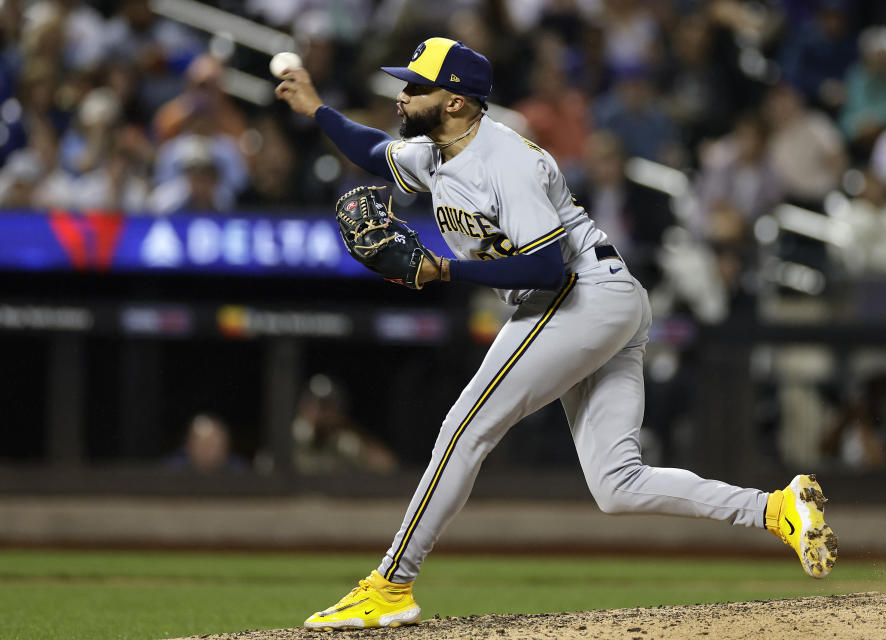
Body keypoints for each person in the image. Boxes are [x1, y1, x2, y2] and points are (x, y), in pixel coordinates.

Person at [275, 37, 838, 631]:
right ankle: (776, 509)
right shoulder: (439, 152)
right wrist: (315, 109)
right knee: (617, 485)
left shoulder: (505, 161)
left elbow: (546, 266)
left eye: (417, 86)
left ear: (458, 103)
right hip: (601, 301)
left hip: (579, 293)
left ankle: (391, 584)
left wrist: (445, 269)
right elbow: (373, 151)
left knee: (465, 427)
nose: (402, 94)